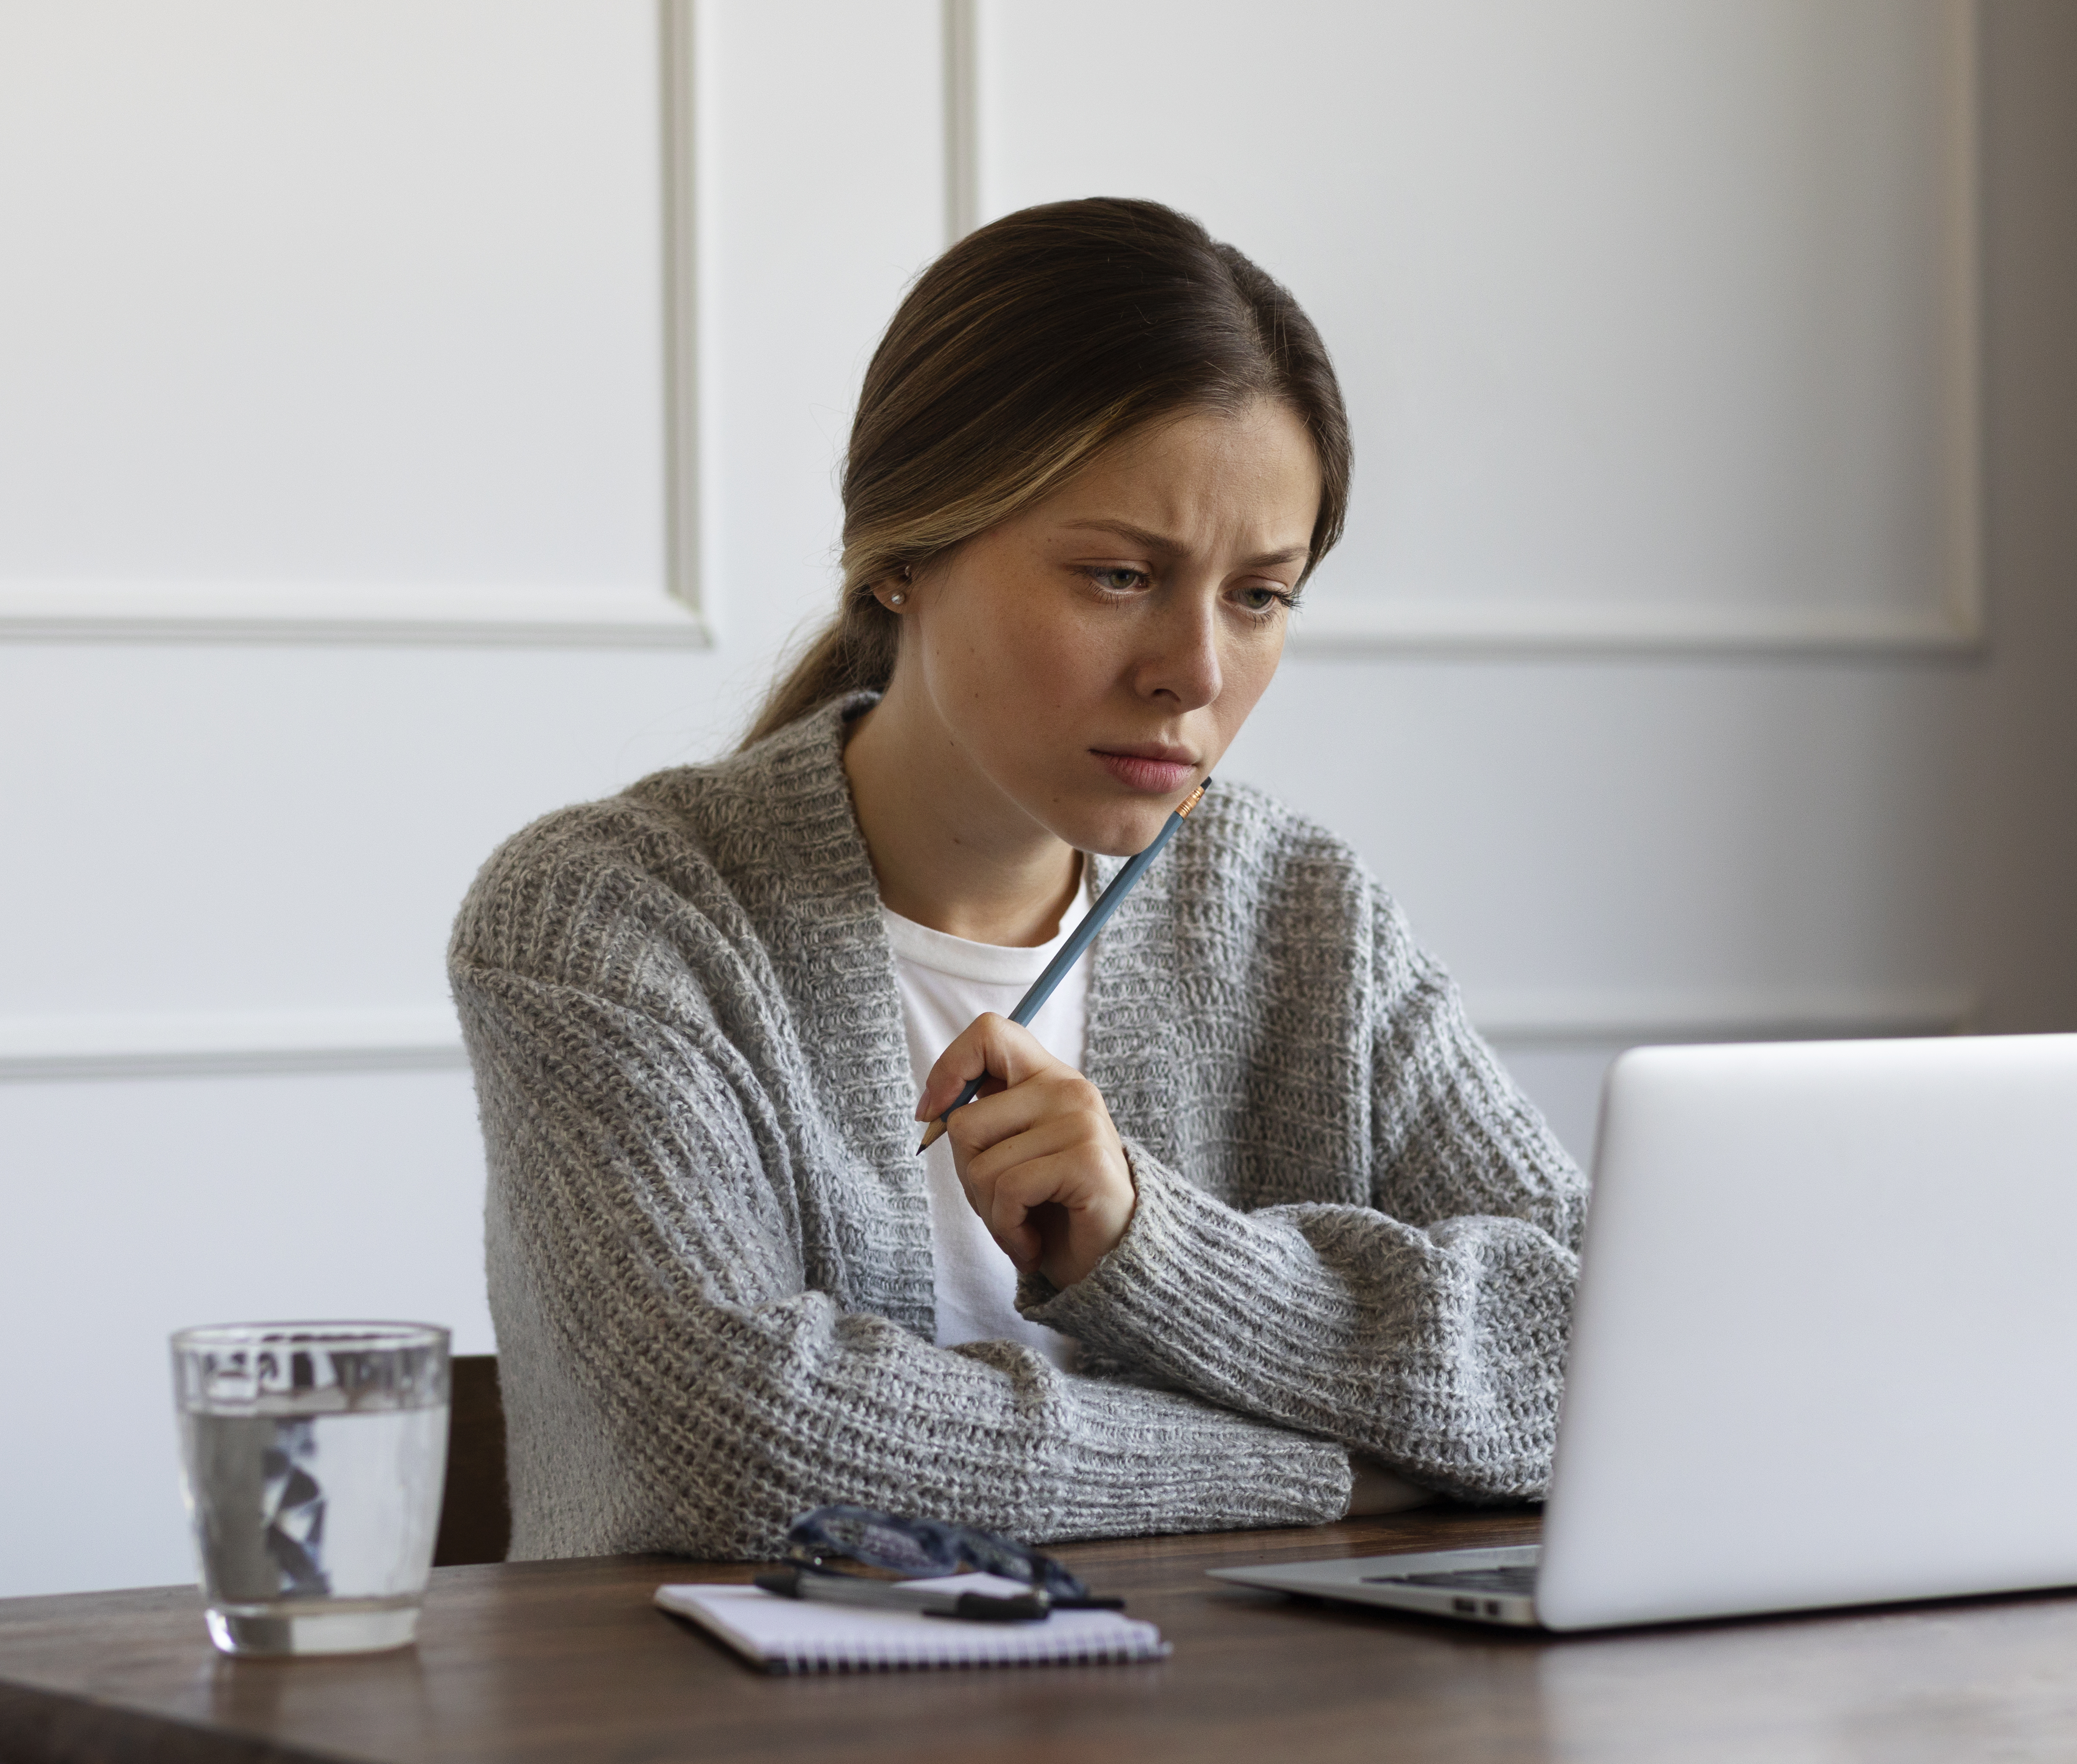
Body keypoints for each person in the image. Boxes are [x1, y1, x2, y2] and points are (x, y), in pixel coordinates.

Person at [451, 198, 1586, 1562]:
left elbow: (1610, 1348)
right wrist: (1341, 1475)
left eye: (1260, 596)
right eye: (1119, 576)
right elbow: (752, 1444)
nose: (1198, 673)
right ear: (906, 557)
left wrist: (1157, 1254)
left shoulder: (1305, 917)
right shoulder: (610, 923)